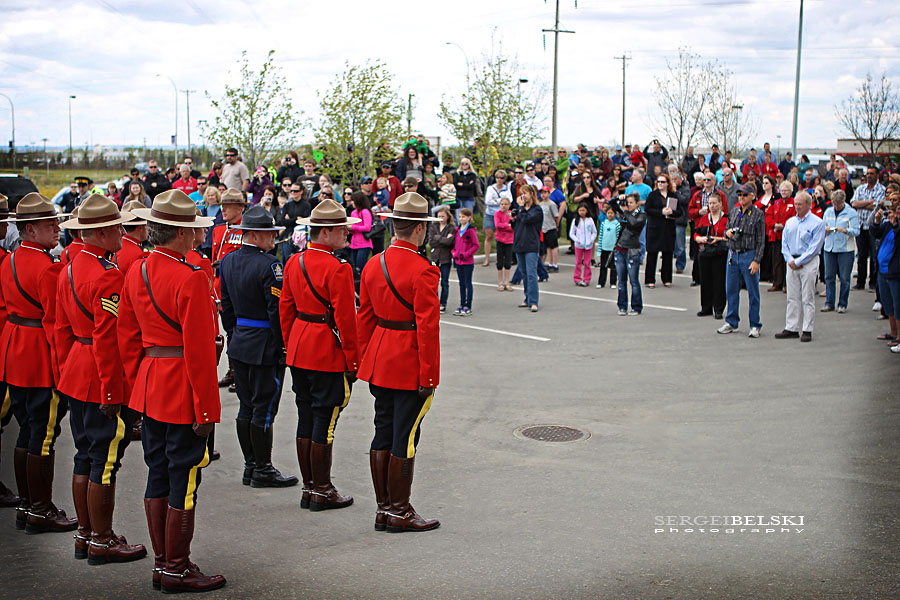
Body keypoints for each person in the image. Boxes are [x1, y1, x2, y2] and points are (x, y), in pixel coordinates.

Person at [118, 190, 225, 593]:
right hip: (182, 387)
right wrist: (206, 410)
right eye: (192, 230)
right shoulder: (190, 277)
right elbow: (199, 352)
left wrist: (137, 387)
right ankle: (176, 568)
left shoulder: (137, 270)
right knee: (184, 477)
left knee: (158, 472)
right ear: (180, 234)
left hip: (151, 384)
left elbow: (128, 339)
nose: (196, 236)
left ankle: (164, 563)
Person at [55, 194, 147, 565]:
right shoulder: (107, 275)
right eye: (117, 228)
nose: (122, 233)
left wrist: (66, 371)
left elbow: (61, 329)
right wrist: (111, 391)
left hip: (77, 371)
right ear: (101, 233)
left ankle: (85, 533)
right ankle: (102, 540)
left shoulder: (69, 268)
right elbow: (109, 339)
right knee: (104, 461)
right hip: (99, 375)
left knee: (84, 455)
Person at [357, 192, 442, 533]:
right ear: (420, 228)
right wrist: (429, 376)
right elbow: (428, 330)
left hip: (380, 359)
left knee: (383, 430)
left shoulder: (373, 264)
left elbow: (364, 318)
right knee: (404, 437)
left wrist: (364, 360)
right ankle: (399, 510)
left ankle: (384, 508)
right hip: (408, 363)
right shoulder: (424, 271)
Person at [0, 193, 77, 534]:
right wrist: (64, 369)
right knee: (44, 434)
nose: (57, 229)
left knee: (26, 430)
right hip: (39, 355)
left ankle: (27, 505)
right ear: (30, 229)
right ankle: (41, 510)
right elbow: (55, 322)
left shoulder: (10, 259)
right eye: (50, 225)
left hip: (15, 350)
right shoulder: (48, 267)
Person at [280, 199, 361, 512]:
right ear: (325, 232)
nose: (346, 234)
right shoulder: (338, 268)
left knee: (306, 416)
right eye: (342, 229)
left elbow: (285, 310)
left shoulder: (294, 261)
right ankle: (322, 490)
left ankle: (309, 487)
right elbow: (346, 320)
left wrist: (291, 343)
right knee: (324, 421)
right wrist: (353, 360)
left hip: (300, 346)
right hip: (325, 350)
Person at [219, 205, 297, 490]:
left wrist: (234, 334)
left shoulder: (228, 261)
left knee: (247, 406)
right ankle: (262, 468)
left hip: (240, 341)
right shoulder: (270, 265)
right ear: (253, 235)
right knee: (264, 408)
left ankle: (250, 466)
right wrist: (282, 345)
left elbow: (226, 307)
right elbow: (276, 311)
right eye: (269, 234)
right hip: (265, 344)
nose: (274, 238)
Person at [775, 192, 826, 342]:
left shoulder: (817, 223)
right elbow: (784, 244)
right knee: (792, 296)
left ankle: (807, 329)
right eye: (796, 204)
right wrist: (790, 260)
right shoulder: (790, 222)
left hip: (808, 262)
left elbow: (814, 247)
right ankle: (791, 327)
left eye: (800, 204)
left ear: (809, 205)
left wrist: (799, 262)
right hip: (792, 260)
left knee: (807, 297)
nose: (797, 207)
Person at [718, 184, 767, 337]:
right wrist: (728, 233)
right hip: (733, 253)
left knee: (753, 291)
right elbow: (726, 230)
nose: (741, 198)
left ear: (752, 196)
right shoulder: (734, 211)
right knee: (731, 289)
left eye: (745, 195)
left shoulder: (758, 214)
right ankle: (731, 321)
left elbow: (761, 241)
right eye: (739, 195)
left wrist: (756, 260)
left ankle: (755, 324)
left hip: (748, 253)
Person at [821, 189, 859, 313]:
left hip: (845, 249)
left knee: (844, 278)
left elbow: (856, 231)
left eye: (839, 204)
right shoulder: (828, 211)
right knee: (829, 276)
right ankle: (829, 303)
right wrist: (826, 229)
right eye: (834, 204)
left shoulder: (851, 213)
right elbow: (822, 227)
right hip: (830, 248)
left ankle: (842, 303)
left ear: (843, 202)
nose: (836, 206)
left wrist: (846, 230)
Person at [694, 194, 728, 319]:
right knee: (705, 280)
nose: (712, 206)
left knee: (719, 281)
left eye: (714, 203)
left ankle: (718, 308)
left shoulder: (726, 219)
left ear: (720, 204)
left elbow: (729, 236)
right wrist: (700, 239)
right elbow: (696, 234)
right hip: (705, 253)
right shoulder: (704, 218)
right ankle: (706, 307)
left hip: (719, 253)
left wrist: (717, 239)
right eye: (710, 203)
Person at [873, 195, 900, 353]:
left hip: (894, 270)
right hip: (883, 269)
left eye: (895, 200)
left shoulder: (896, 225)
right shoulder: (888, 224)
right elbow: (875, 232)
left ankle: (899, 336)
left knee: (897, 304)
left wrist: (895, 223)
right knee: (887, 302)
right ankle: (893, 331)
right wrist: (877, 220)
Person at [852, 166, 886, 292]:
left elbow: (878, 207)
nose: (869, 176)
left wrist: (863, 204)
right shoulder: (860, 189)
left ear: (877, 175)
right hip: (861, 225)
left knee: (874, 255)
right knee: (861, 255)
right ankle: (860, 282)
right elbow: (854, 203)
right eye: (868, 173)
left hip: (873, 226)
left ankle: (873, 282)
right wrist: (870, 202)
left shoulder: (882, 190)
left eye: (872, 173)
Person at [611, 193, 645, 315]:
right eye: (627, 202)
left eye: (631, 203)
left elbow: (633, 224)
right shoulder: (624, 213)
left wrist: (625, 212)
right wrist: (618, 198)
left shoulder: (641, 215)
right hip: (620, 249)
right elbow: (611, 204)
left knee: (634, 281)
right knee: (621, 281)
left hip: (632, 251)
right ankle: (622, 306)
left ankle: (636, 306)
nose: (628, 205)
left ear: (637, 203)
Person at [644, 173, 681, 288]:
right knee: (652, 254)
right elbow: (647, 209)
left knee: (668, 253)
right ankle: (650, 279)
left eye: (662, 182)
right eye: (658, 182)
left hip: (668, 228)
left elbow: (680, 212)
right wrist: (661, 212)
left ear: (668, 183)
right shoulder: (652, 195)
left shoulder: (673, 195)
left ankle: (667, 279)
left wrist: (672, 212)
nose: (660, 184)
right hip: (655, 228)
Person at [513, 185, 543, 312]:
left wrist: (520, 209)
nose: (523, 196)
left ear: (532, 194)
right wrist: (513, 218)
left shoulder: (537, 210)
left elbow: (527, 219)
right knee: (524, 274)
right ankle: (527, 298)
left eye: (525, 193)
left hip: (531, 244)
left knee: (531, 274)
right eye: (521, 194)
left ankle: (534, 301)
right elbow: (516, 225)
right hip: (520, 243)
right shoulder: (521, 210)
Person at [768, 181, 797, 292]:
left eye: (786, 190)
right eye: (782, 190)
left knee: (787, 261)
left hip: (788, 237)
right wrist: (774, 225)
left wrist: (783, 225)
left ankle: (787, 284)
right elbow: (768, 216)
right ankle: (777, 283)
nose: (784, 192)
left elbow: (794, 218)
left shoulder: (794, 203)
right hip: (776, 236)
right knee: (776, 260)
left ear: (791, 191)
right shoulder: (776, 203)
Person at [451, 208, 478, 316]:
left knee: (467, 283)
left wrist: (467, 254)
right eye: (460, 217)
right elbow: (454, 244)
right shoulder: (457, 229)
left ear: (469, 217)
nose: (461, 219)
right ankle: (462, 304)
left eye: (463, 217)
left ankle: (468, 305)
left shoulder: (471, 230)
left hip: (467, 262)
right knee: (461, 283)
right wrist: (454, 252)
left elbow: (476, 245)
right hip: (458, 261)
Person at [429, 206, 456, 311]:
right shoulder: (433, 226)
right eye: (439, 216)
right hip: (435, 257)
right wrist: (444, 239)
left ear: (448, 216)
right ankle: (434, 302)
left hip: (445, 258)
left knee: (444, 281)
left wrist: (438, 238)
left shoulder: (451, 228)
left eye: (443, 216)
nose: (441, 218)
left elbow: (450, 242)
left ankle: (443, 303)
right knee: (433, 281)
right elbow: (431, 242)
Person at [482, 169, 511, 267]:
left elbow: (509, 200)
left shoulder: (507, 188)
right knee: (489, 236)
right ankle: (487, 258)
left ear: (504, 179)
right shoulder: (491, 188)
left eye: (501, 178)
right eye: (497, 177)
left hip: (502, 214)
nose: (499, 179)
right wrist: (501, 201)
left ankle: (501, 258)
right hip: (490, 214)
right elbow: (487, 201)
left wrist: (496, 200)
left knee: (502, 236)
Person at [116, 200, 150, 276]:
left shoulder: (115, 246)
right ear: (140, 228)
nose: (148, 229)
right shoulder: (140, 253)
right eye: (147, 226)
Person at [570, 203, 597, 287]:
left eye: (583, 210)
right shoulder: (575, 220)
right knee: (578, 262)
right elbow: (571, 233)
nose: (582, 212)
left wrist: (591, 240)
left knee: (587, 263)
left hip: (588, 245)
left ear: (587, 211)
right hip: (579, 245)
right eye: (580, 210)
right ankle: (577, 278)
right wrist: (577, 240)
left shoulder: (590, 220)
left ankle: (587, 279)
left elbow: (594, 232)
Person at [595, 205, 620, 289]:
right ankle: (601, 282)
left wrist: (616, 248)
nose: (610, 214)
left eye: (611, 213)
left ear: (615, 214)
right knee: (603, 266)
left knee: (613, 267)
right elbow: (601, 236)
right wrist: (599, 250)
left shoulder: (617, 224)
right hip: (604, 248)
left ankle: (613, 282)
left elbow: (618, 237)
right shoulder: (603, 223)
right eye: (608, 213)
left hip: (613, 249)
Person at [494, 198, 514, 291]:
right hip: (500, 240)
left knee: (508, 261)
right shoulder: (497, 214)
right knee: (500, 261)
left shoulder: (511, 214)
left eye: (506, 204)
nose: (504, 206)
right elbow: (497, 225)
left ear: (509, 205)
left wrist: (508, 226)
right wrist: (507, 225)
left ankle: (506, 282)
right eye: (502, 204)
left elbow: (513, 226)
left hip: (509, 240)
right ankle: (500, 282)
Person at [539, 186, 561, 271]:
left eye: (545, 193)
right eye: (542, 193)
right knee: (547, 246)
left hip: (551, 227)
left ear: (549, 193)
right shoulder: (541, 204)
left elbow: (556, 216)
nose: (543, 195)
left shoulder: (552, 204)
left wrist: (556, 225)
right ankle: (550, 263)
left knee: (553, 246)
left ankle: (555, 264)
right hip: (544, 228)